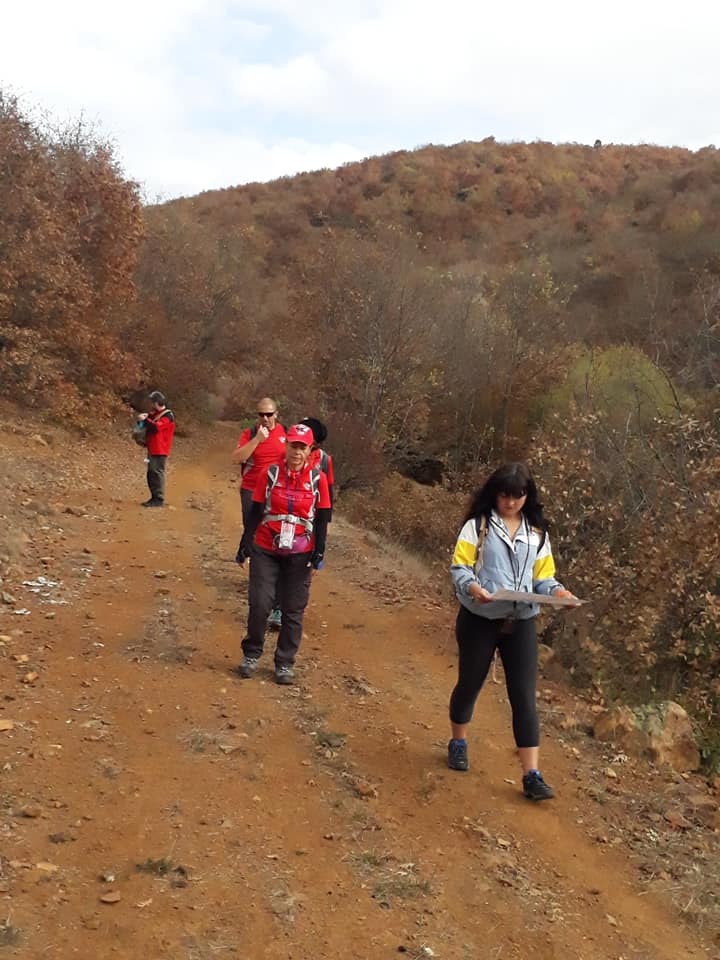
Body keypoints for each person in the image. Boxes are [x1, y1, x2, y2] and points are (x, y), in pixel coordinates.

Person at [448, 462, 578, 801]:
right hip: (480, 618)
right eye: (505, 496)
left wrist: (559, 594)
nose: (511, 503)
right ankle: (458, 741)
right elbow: (460, 566)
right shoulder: (477, 527)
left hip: (520, 621)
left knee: (523, 696)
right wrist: (473, 588)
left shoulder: (536, 533)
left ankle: (531, 774)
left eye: (518, 496)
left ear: (526, 496)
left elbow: (544, 577)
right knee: (470, 683)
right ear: (495, 494)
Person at [235, 423, 331, 685]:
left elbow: (322, 519)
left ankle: (285, 662)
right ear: (286, 445)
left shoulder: (317, 479)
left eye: (302, 447)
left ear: (310, 449)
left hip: (301, 553)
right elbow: (255, 511)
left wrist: (319, 552)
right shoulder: (270, 473)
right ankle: (252, 653)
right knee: (260, 603)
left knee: (293, 610)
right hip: (266, 547)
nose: (297, 452)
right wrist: (245, 544)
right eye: (293, 445)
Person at [232, 398, 287, 627]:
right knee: (254, 536)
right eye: (261, 414)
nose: (265, 418)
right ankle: (259, 588)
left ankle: (276, 602)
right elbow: (237, 458)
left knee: (277, 539)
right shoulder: (250, 433)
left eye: (269, 414)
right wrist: (257, 439)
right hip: (251, 490)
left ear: (276, 413)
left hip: (276, 494)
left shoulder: (286, 433)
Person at [138, 390, 175, 507]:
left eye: (153, 402)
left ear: (157, 402)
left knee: (157, 473)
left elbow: (155, 428)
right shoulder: (154, 414)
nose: (152, 405)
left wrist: (144, 419)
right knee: (151, 473)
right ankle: (154, 497)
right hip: (152, 447)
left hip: (160, 449)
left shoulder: (168, 416)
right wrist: (143, 419)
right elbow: (147, 424)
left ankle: (158, 499)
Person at [299, 416, 334, 512]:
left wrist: (327, 516)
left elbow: (328, 488)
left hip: (313, 510)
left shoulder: (324, 459)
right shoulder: (292, 454)